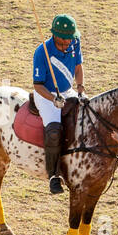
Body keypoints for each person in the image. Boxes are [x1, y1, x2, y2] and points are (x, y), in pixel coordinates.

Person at [32, 13, 84, 195]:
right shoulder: (42, 52)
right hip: (47, 94)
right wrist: (53, 99)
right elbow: (37, 85)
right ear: (55, 35)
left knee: (87, 116)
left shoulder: (74, 42)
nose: (67, 44)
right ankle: (54, 175)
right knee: (54, 130)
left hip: (68, 90)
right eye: (63, 41)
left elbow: (78, 67)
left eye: (70, 40)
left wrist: (80, 87)